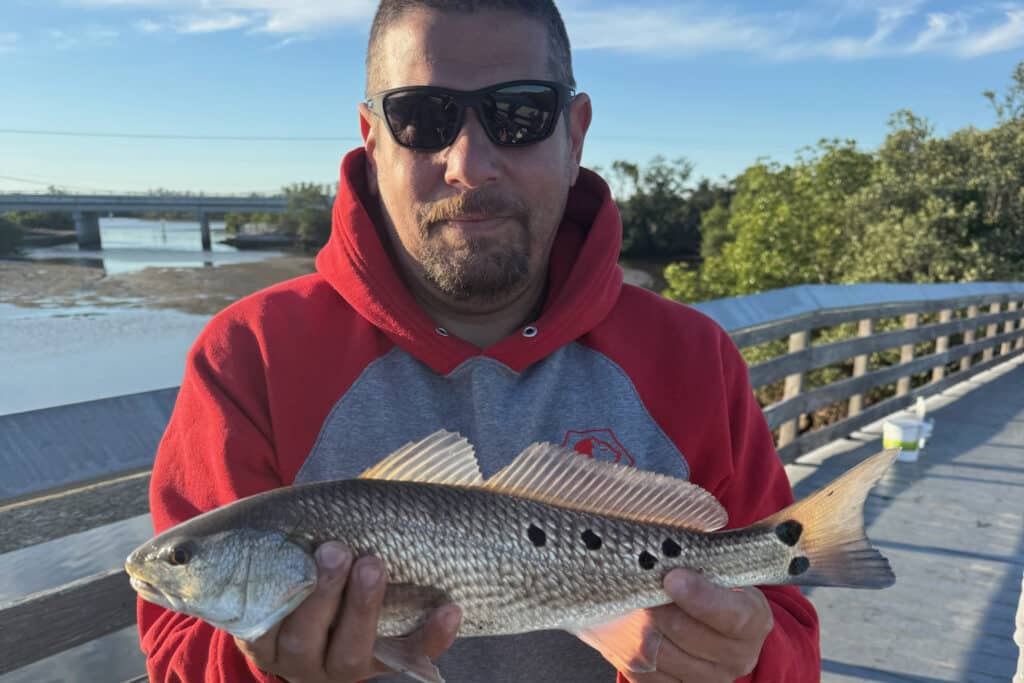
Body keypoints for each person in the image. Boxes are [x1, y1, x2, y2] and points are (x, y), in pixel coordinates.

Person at [137, 1, 821, 681]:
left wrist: (745, 663)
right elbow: (176, 654)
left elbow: (788, 638)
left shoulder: (694, 359)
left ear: (574, 134)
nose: (470, 163)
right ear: (372, 138)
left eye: (519, 113)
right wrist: (267, 670)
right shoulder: (250, 356)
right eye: (422, 117)